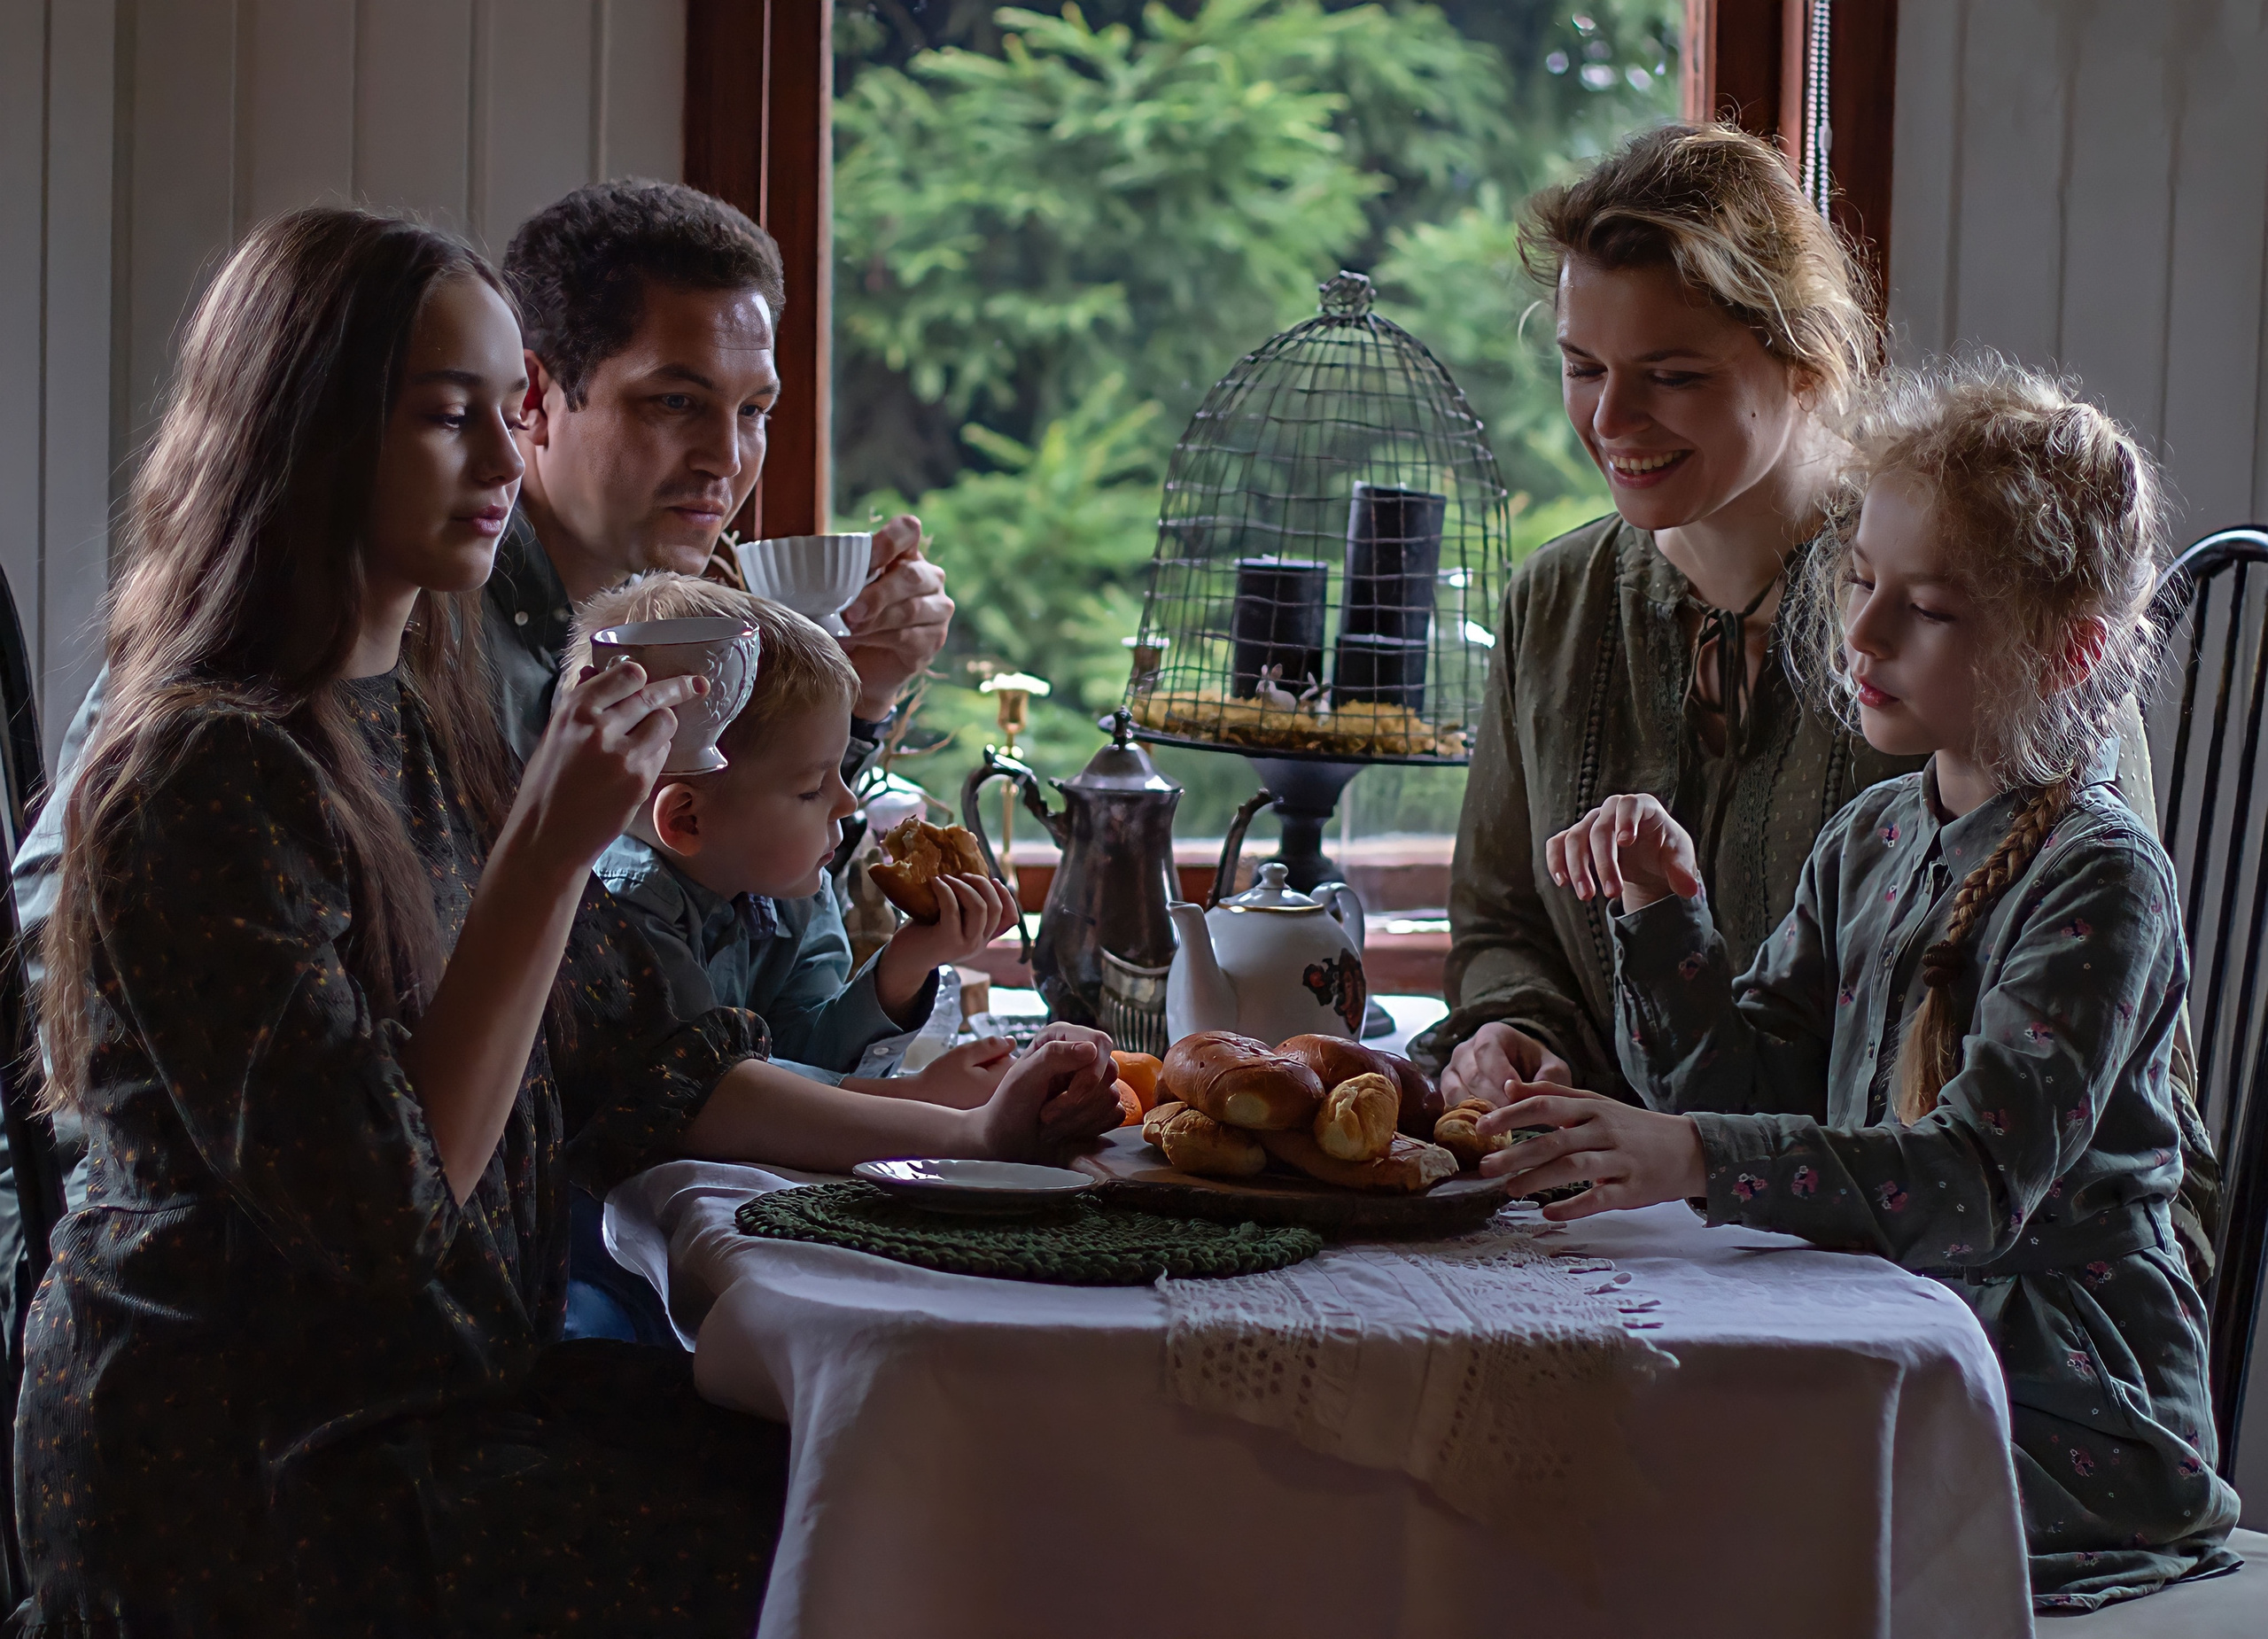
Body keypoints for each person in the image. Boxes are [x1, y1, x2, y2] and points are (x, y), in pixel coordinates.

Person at [14, 206, 1121, 1636]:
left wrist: (966, 1139)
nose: (498, 461)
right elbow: (386, 1227)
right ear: (307, 433)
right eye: (446, 417)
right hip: (256, 1461)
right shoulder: (204, 771)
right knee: (873, 1558)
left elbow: (650, 1059)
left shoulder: (420, 711)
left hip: (443, 1389)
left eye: (505, 410)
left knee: (918, 1476)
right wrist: (547, 850)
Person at [1, 178, 952, 1291]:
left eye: (753, 411)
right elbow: (365, 1205)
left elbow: (646, 1025)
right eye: (674, 403)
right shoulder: (273, 724)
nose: (729, 462)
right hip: (229, 1339)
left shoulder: (432, 684)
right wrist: (546, 850)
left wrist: (949, 1128)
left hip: (455, 1282)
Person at [1488, 359, 2241, 1612]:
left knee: (1679, 1497)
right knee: (1586, 1451)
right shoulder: (1878, 837)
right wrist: (1665, 915)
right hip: (1892, 1329)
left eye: (1929, 608)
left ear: (2071, 652)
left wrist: (1689, 1155)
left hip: (2068, 1413)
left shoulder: (2101, 879)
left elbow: (1966, 1187)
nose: (1866, 634)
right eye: (1858, 583)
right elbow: (1742, 1081)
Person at [1411, 122, 2220, 1284]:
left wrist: (1691, 1149)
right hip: (1705, 1234)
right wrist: (1515, 1038)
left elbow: (2045, 1117)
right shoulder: (1557, 600)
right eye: (1585, 368)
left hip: (2019, 1277)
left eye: (1673, 375)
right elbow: (1507, 930)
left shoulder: (1994, 603)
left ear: (1803, 362)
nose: (1612, 421)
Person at [564, 574, 1024, 1340]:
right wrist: (915, 1104)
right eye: (814, 786)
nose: (848, 804)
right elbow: (720, 1095)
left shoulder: (788, 884)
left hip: (736, 1214)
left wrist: (908, 963)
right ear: (685, 818)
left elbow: (796, 1047)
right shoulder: (622, 905)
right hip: (616, 1260)